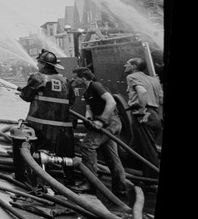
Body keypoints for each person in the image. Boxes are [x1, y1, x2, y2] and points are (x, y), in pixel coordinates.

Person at [17, 50, 76, 190]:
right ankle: (70, 183)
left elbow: (26, 96)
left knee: (35, 155)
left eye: (39, 62)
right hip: (63, 128)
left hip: (40, 126)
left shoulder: (37, 77)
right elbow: (71, 100)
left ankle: (36, 182)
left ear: (43, 64)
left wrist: (24, 91)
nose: (37, 64)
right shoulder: (64, 79)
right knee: (66, 158)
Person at [71, 67, 131, 199]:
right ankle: (120, 189)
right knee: (111, 156)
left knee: (87, 146)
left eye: (75, 78)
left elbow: (111, 102)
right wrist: (88, 118)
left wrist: (102, 120)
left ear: (84, 78)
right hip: (108, 124)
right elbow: (89, 109)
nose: (73, 80)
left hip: (110, 122)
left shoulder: (96, 86)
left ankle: (90, 184)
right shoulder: (87, 92)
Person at [124, 56, 163, 177]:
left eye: (128, 64)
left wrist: (141, 111)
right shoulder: (154, 80)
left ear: (134, 67)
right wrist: (159, 115)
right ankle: (130, 167)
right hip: (155, 115)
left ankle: (152, 179)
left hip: (144, 115)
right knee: (136, 145)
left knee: (148, 149)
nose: (125, 66)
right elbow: (161, 99)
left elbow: (142, 92)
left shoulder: (132, 77)